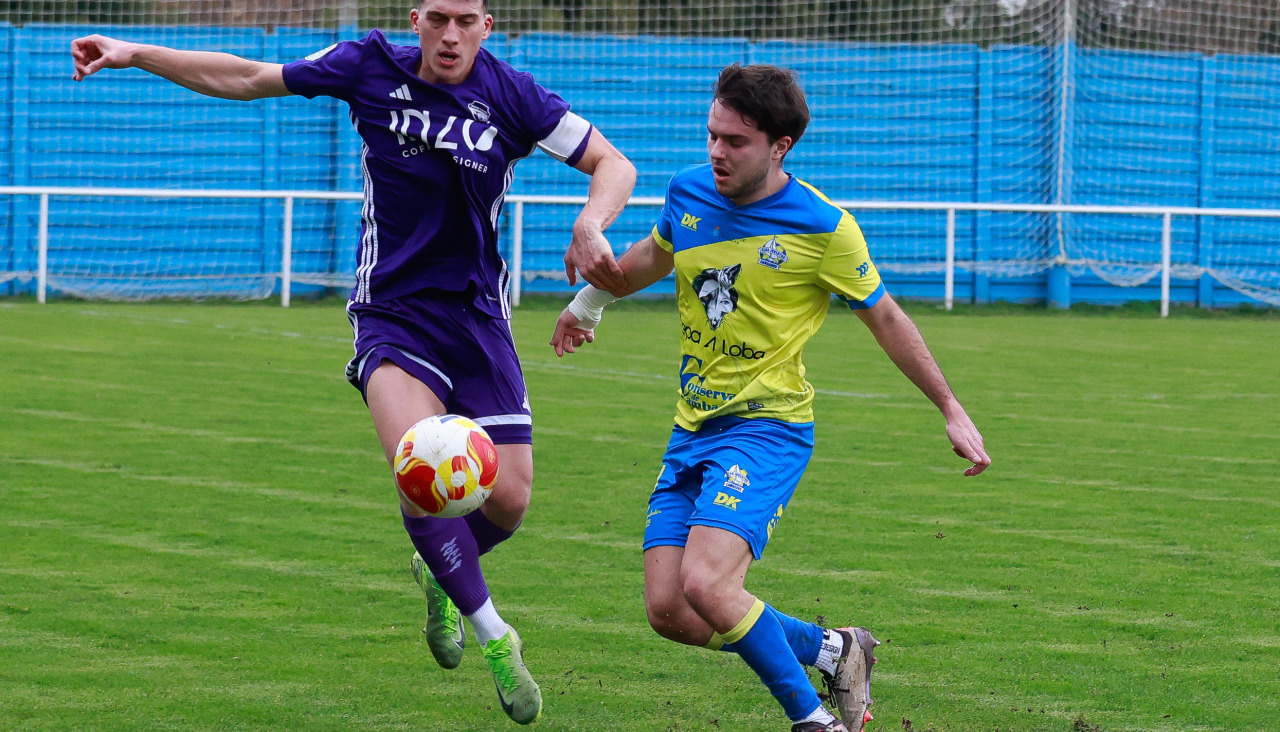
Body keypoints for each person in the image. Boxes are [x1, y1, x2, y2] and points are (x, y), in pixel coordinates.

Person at [72, 0, 636, 725]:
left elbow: (611, 162)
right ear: (415, 19)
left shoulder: (512, 95)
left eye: (466, 19)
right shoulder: (366, 66)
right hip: (394, 314)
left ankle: (440, 571)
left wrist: (591, 220)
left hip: (477, 320)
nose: (451, 33)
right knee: (421, 462)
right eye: (438, 17)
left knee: (511, 499)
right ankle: (495, 633)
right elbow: (248, 76)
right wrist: (134, 52)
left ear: (487, 26)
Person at [549, 63, 991, 732]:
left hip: (769, 428)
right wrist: (587, 304)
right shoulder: (689, 193)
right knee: (671, 612)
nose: (717, 153)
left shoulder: (823, 227)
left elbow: (889, 319)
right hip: (692, 426)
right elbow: (650, 257)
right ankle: (837, 650)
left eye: (736, 142)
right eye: (712, 135)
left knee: (707, 583)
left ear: (780, 147)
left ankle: (814, 721)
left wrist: (951, 409)